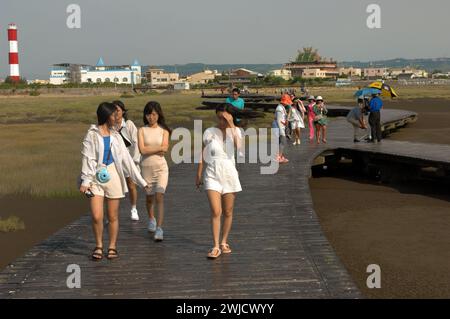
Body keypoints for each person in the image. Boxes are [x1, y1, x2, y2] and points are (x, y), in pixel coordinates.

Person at [79, 102, 149, 261]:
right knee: (97, 215)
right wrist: (85, 180)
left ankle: (112, 246)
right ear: (105, 116)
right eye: (113, 114)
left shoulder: (116, 136)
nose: (117, 117)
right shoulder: (91, 134)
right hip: (95, 178)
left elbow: (127, 161)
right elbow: (87, 157)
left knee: (112, 216)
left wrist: (142, 182)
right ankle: (98, 245)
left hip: (114, 176)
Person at [196, 104, 243, 259]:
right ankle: (215, 245)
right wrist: (199, 173)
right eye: (219, 117)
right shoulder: (209, 132)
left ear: (230, 116)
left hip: (229, 175)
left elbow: (239, 148)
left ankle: (224, 241)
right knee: (216, 211)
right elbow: (203, 153)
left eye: (224, 117)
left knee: (228, 211)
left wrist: (231, 124)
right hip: (212, 174)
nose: (221, 120)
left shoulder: (236, 131)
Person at [138, 101, 171, 242]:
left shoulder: (164, 131)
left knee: (159, 196)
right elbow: (142, 150)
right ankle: (151, 218)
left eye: (154, 114)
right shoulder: (141, 130)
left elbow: (166, 148)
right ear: (145, 116)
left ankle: (159, 228)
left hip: (161, 168)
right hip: (146, 168)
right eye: (149, 114)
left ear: (158, 115)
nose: (151, 117)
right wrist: (158, 149)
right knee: (149, 197)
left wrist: (153, 149)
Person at [113, 100, 141, 221]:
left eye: (118, 110)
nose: (116, 113)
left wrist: (134, 160)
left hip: (129, 160)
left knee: (131, 185)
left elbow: (136, 142)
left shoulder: (128, 124)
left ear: (123, 112)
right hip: (115, 160)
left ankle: (133, 208)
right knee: (114, 186)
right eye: (113, 111)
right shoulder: (110, 125)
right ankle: (112, 213)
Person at [272, 94, 291, 163]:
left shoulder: (282, 107)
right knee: (282, 141)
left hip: (279, 126)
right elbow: (279, 121)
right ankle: (278, 157)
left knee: (280, 142)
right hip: (278, 127)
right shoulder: (279, 109)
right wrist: (282, 132)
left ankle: (280, 156)